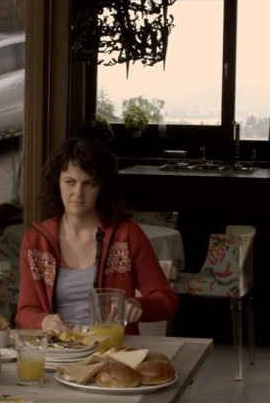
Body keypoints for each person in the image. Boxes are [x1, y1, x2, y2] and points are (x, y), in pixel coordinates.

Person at [16, 136, 178, 335]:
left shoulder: (127, 235)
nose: (78, 192)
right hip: (57, 348)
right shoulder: (36, 241)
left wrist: (139, 304)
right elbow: (25, 311)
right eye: (69, 182)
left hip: (112, 348)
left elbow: (167, 300)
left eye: (89, 184)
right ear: (56, 182)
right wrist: (43, 320)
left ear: (103, 187)